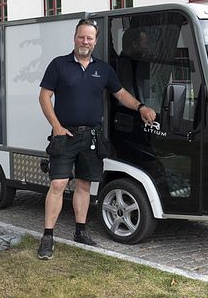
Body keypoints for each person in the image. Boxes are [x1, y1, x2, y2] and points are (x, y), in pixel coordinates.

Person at [37, 18, 156, 260]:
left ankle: (80, 232)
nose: (85, 41)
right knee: (58, 184)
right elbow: (44, 97)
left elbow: (120, 94)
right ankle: (48, 236)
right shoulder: (59, 65)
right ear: (75, 38)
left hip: (91, 136)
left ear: (95, 41)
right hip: (65, 136)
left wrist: (141, 107)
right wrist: (56, 126)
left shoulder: (103, 69)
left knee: (84, 185)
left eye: (90, 38)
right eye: (82, 36)